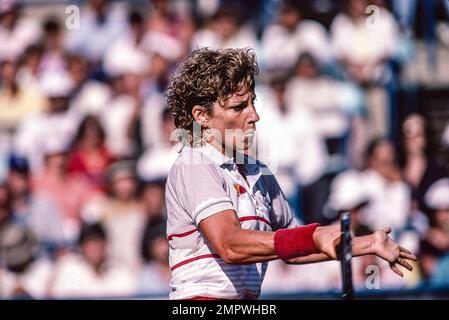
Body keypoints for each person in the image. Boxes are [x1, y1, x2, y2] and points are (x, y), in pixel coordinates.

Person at [165, 47, 417, 300]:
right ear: (201, 116)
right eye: (239, 107)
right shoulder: (194, 164)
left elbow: (296, 243)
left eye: (253, 102)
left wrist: (367, 244)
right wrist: (315, 236)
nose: (255, 115)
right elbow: (230, 244)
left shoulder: (258, 172)